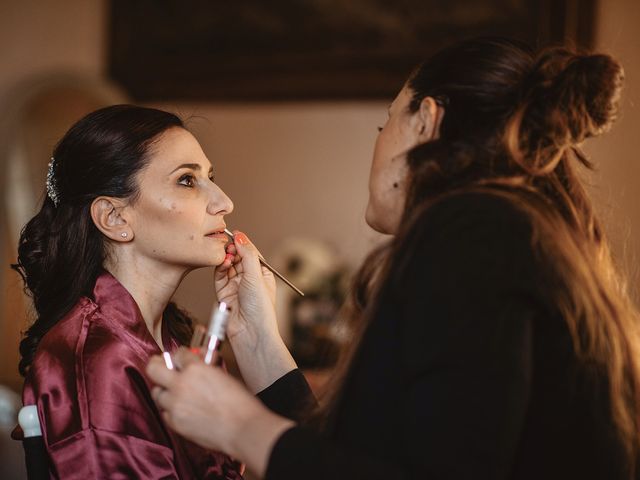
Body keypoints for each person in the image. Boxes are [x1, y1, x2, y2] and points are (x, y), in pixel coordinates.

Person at [147, 37, 640, 480]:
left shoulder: (477, 232)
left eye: (386, 123)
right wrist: (258, 341)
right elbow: (368, 462)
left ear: (426, 120)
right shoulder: (511, 231)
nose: (379, 143)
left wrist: (238, 426)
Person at [12, 105, 245, 479]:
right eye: (187, 180)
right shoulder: (96, 361)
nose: (224, 202)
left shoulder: (184, 344)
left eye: (210, 177)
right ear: (115, 218)